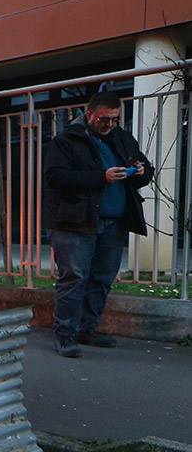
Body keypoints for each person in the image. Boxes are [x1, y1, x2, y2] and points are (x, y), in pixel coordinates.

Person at [43, 91, 154, 358]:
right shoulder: (66, 140)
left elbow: (147, 169)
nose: (110, 124)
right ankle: (65, 334)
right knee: (73, 278)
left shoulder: (123, 138)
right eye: (105, 119)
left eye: (115, 119)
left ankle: (87, 328)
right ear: (89, 114)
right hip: (74, 221)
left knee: (102, 279)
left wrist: (141, 172)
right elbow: (55, 178)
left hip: (113, 221)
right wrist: (101, 176)